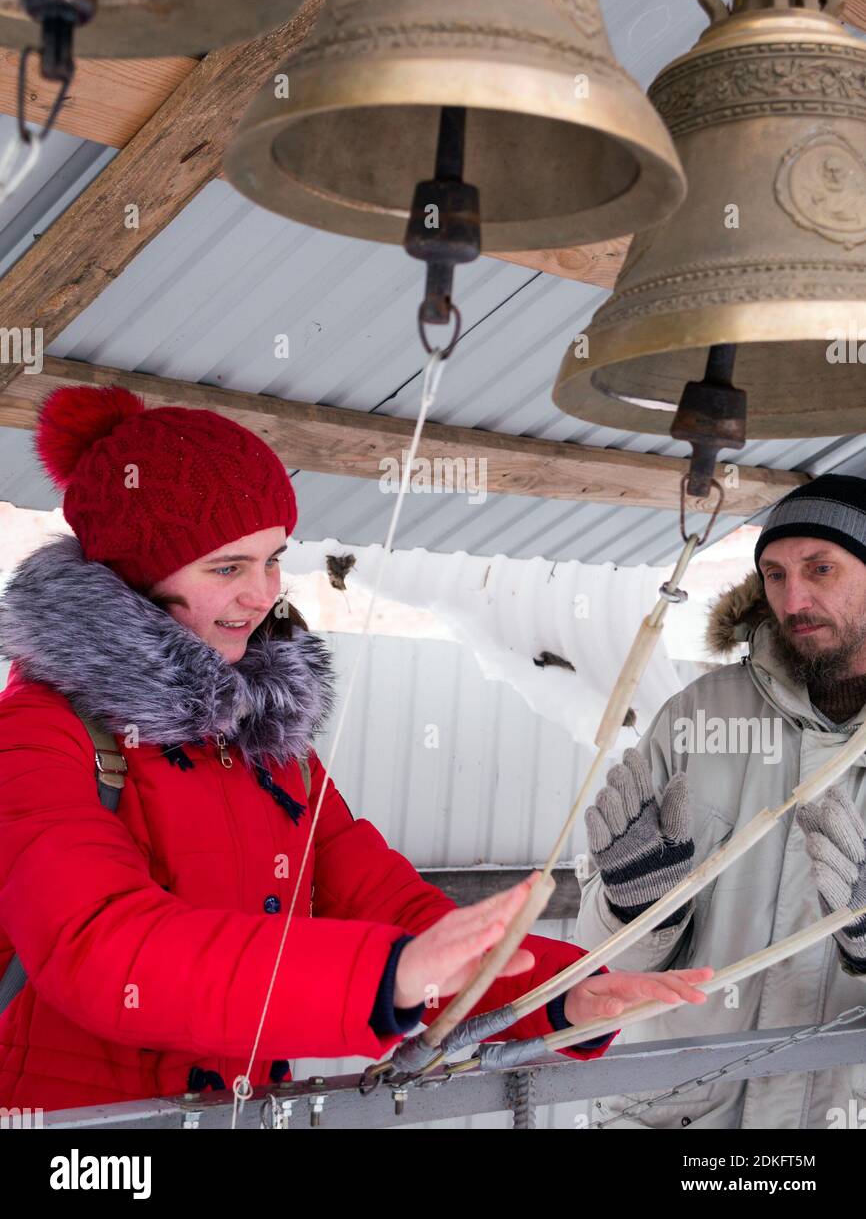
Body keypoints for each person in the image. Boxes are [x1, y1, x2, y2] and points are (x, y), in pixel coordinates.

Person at [0, 384, 711, 1113]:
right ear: (131, 575)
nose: (262, 594)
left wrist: (554, 993)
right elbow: (101, 947)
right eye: (226, 568)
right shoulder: (38, 732)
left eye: (272, 559)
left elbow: (380, 904)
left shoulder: (265, 741)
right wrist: (382, 979)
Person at [577, 474, 866, 1130]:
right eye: (774, 573)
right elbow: (600, 968)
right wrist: (632, 909)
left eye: (821, 568)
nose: (793, 597)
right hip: (680, 1116)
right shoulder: (697, 718)